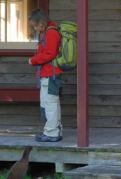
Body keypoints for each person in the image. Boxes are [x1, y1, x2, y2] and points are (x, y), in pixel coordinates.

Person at [28, 9, 63, 142]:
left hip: (51, 74)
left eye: (36, 25)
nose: (35, 28)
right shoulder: (48, 32)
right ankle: (53, 130)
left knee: (50, 103)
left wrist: (33, 60)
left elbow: (50, 54)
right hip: (49, 74)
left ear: (42, 22)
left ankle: (52, 133)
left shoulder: (51, 33)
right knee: (50, 103)